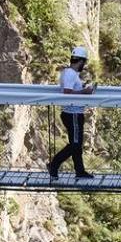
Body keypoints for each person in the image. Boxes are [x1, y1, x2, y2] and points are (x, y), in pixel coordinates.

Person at [48, 46, 96, 180]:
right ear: (80, 61)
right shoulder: (70, 73)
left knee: (76, 143)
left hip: (73, 113)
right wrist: (84, 92)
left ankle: (80, 171)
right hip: (72, 113)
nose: (84, 65)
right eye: (84, 63)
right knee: (75, 144)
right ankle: (54, 164)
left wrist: (83, 87)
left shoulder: (70, 73)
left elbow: (70, 89)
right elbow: (67, 93)